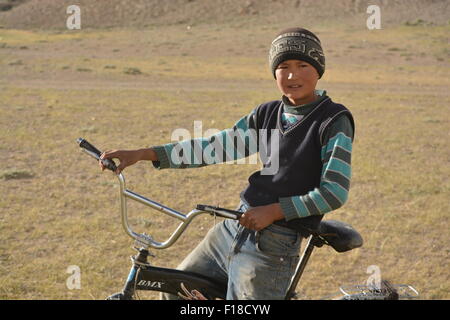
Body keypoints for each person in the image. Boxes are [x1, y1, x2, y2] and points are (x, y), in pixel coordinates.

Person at [99, 27, 355, 300]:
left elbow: (333, 192)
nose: (292, 75)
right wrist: (143, 153)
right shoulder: (268, 113)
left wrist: (274, 211)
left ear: (318, 69)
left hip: (275, 243)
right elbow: (214, 148)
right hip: (233, 227)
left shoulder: (332, 119)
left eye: (303, 65)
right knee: (175, 292)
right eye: (283, 66)